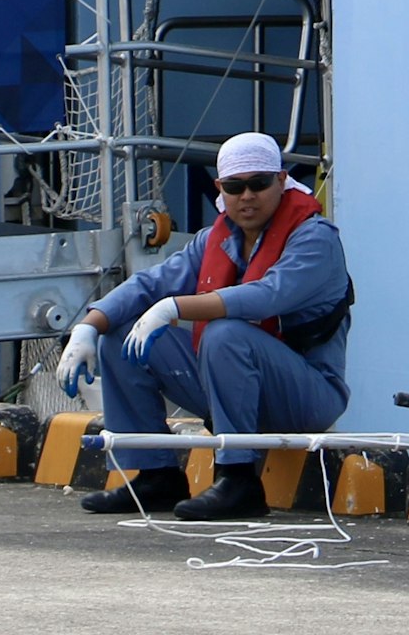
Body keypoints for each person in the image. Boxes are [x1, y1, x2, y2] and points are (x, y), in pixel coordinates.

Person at [57, 132, 350, 521]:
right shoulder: (216, 238)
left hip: (306, 396)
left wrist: (176, 307)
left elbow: (267, 296)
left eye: (259, 184)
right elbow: (151, 284)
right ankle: (156, 475)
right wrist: (88, 327)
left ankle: (239, 479)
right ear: (220, 189)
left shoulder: (314, 240)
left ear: (281, 181)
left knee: (225, 332)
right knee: (121, 335)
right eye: (235, 186)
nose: (247, 196)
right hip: (230, 387)